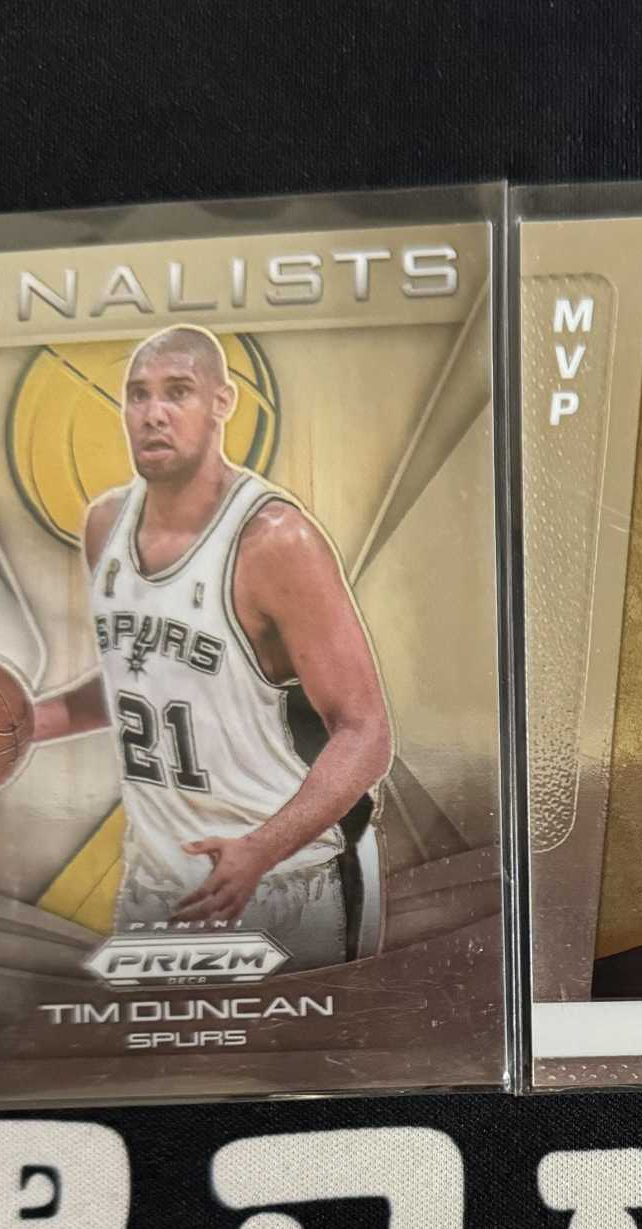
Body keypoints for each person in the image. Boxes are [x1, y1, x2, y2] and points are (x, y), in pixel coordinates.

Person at [30, 324, 393, 966]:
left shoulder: (275, 540)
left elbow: (366, 735)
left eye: (178, 392)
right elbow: (143, 681)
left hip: (284, 880)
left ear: (222, 403)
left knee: (303, 1040)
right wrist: (20, 728)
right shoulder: (105, 526)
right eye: (138, 395)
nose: (154, 414)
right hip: (155, 885)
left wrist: (262, 849)